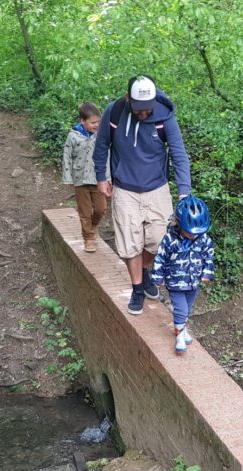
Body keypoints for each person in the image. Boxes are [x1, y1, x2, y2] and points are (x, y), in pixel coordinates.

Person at [93, 74, 192, 315]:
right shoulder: (115, 112)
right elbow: (102, 145)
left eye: (148, 109)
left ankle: (144, 271)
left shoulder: (164, 116)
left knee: (160, 240)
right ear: (128, 99)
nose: (144, 114)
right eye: (139, 109)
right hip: (125, 188)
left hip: (157, 188)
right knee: (130, 244)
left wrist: (184, 193)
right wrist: (101, 176)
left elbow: (179, 154)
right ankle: (137, 287)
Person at [151, 195, 214, 355]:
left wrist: (207, 273)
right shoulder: (170, 239)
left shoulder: (204, 239)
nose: (193, 235)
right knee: (180, 310)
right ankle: (179, 337)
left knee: (188, 308)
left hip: (194, 282)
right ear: (178, 222)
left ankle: (183, 330)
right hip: (175, 282)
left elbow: (208, 256)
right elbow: (160, 257)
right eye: (190, 231)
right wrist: (158, 276)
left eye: (197, 232)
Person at [62, 101, 107, 253]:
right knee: (85, 211)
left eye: (98, 122)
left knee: (101, 208)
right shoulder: (73, 136)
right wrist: (68, 177)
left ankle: (93, 227)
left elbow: (107, 156)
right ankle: (88, 238)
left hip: (97, 178)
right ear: (82, 120)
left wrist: (108, 177)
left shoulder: (101, 136)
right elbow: (67, 157)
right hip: (80, 179)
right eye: (93, 122)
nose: (96, 125)